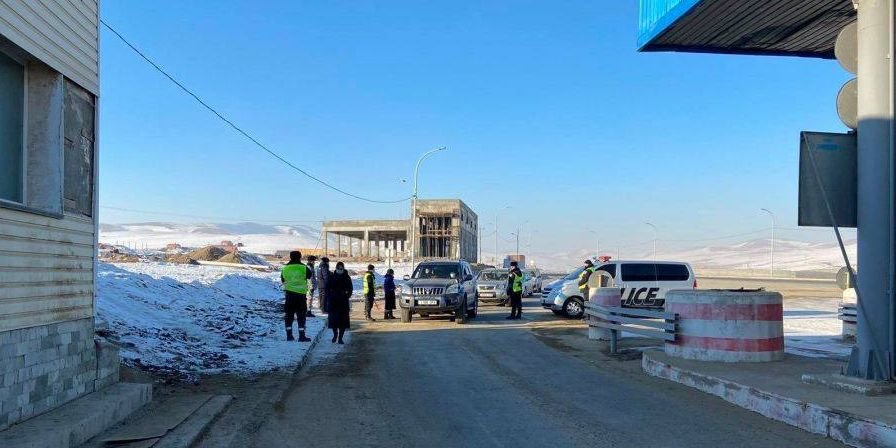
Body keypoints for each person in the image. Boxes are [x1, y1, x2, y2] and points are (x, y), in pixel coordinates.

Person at [281, 251, 313, 342]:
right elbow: (309, 275)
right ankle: (301, 336)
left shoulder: (285, 268)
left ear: (290, 257)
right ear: (300, 257)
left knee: (289, 315)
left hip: (289, 295)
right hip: (300, 296)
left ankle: (289, 335)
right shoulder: (304, 267)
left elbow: (283, 279)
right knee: (301, 316)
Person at [326, 261, 353, 343]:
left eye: (341, 268)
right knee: (334, 321)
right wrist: (330, 296)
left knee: (343, 321)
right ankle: (335, 334)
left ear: (343, 268)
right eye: (338, 268)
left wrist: (347, 295)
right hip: (333, 302)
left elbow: (350, 288)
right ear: (336, 268)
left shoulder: (347, 277)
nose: (340, 269)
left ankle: (340, 338)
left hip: (343, 302)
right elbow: (327, 288)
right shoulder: (332, 276)